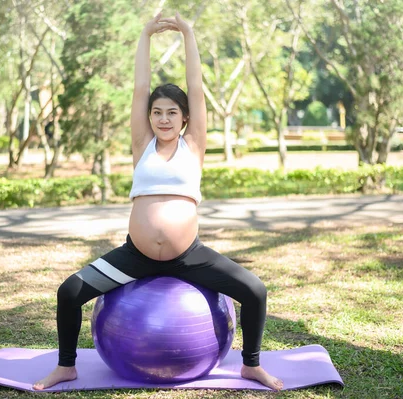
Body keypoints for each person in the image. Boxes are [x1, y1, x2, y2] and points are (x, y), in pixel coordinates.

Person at [33, 13, 284, 391]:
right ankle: (66, 366)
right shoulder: (141, 146)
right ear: (148, 116)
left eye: (172, 113)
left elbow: (196, 87)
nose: (163, 119)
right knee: (69, 291)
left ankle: (251, 365)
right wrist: (146, 35)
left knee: (255, 291)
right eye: (156, 112)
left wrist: (188, 31)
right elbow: (140, 86)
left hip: (190, 259)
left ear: (185, 119)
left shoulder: (194, 146)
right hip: (136, 257)